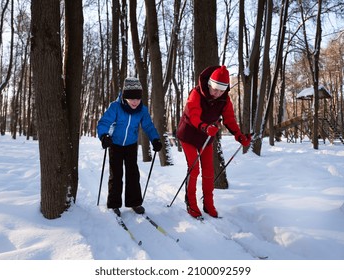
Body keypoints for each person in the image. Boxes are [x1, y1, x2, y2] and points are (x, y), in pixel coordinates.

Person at [176, 65, 251, 219]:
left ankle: (208, 204)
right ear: (209, 84)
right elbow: (193, 113)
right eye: (215, 89)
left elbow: (229, 118)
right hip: (189, 134)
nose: (217, 93)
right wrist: (204, 127)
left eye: (221, 90)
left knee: (209, 171)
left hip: (206, 137)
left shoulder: (224, 99)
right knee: (194, 169)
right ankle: (191, 202)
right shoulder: (196, 93)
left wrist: (238, 135)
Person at [97, 77, 162, 216]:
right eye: (131, 98)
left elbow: (148, 126)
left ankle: (134, 202)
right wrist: (104, 136)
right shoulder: (115, 107)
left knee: (133, 173)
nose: (134, 101)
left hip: (131, 145)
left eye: (137, 98)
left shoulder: (142, 110)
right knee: (116, 174)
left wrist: (155, 139)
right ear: (125, 97)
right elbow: (103, 122)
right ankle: (114, 204)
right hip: (115, 144)